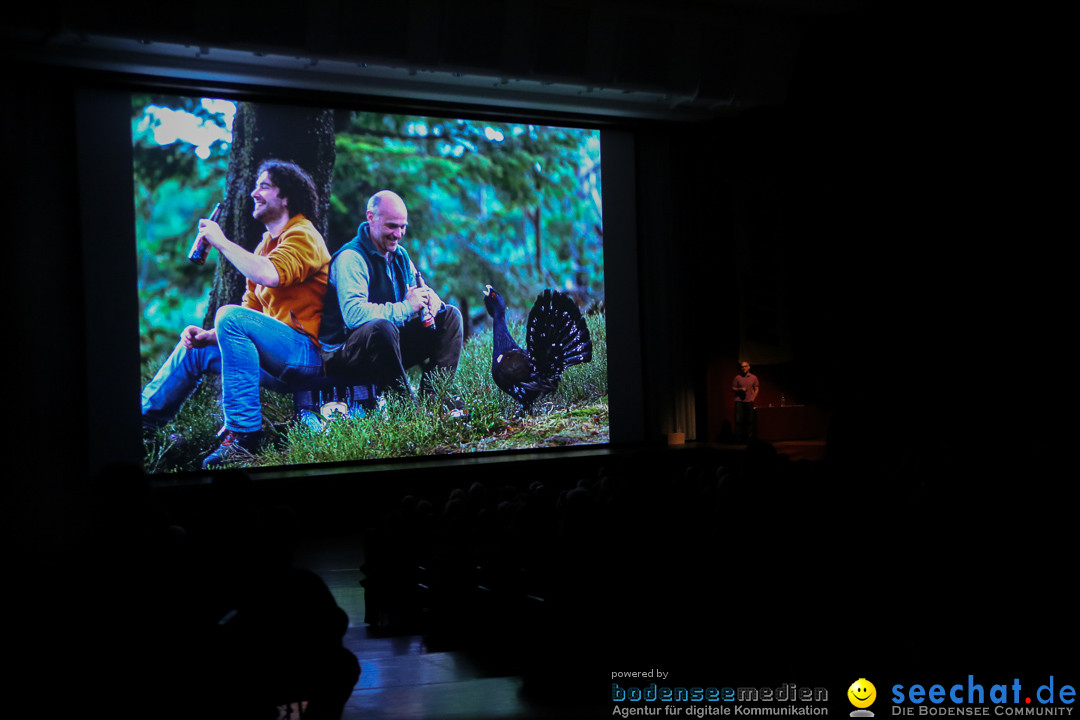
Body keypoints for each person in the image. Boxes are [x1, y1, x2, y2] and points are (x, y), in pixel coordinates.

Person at [141, 159, 332, 468]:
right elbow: (249, 315)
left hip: (305, 356)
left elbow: (271, 276)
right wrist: (207, 337)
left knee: (228, 315)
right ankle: (142, 425)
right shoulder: (263, 247)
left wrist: (221, 242)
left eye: (264, 186)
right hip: (277, 359)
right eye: (256, 186)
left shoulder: (304, 235)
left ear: (286, 197)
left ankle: (244, 435)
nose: (254, 193)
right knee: (197, 350)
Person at [318, 190, 463, 408]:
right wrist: (407, 307)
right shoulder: (351, 258)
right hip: (346, 355)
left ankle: (436, 398)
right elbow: (354, 315)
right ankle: (406, 408)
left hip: (387, 347)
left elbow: (418, 289)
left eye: (403, 226)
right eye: (392, 226)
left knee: (450, 315)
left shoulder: (399, 255)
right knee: (382, 328)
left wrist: (433, 301)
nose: (398, 233)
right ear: (371, 217)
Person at [732, 360, 759, 442]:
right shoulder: (737, 377)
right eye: (742, 367)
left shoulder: (754, 377)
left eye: (745, 366)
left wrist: (753, 398)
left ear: (749, 367)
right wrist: (740, 389)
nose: (743, 368)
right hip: (739, 401)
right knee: (738, 421)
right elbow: (733, 388)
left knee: (749, 420)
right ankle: (738, 439)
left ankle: (749, 439)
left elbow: (757, 388)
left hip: (749, 401)